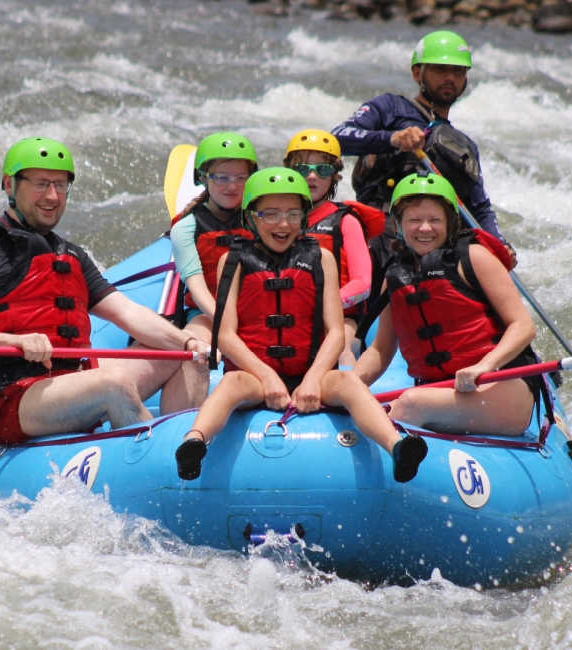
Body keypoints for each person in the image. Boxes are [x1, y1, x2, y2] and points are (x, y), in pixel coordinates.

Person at [0, 136, 210, 450]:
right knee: (112, 385)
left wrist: (188, 342)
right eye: (42, 184)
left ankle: (186, 445)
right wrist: (15, 342)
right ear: (10, 185)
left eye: (61, 186)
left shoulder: (70, 255)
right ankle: (159, 457)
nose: (53, 196)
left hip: (74, 381)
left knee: (186, 354)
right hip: (15, 397)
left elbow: (126, 313)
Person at [174, 167, 428, 483]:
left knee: (350, 384)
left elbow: (336, 332)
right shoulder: (233, 261)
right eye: (271, 214)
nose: (283, 224)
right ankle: (195, 442)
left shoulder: (322, 258)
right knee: (230, 385)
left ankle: (398, 447)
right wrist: (265, 377)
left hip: (312, 375)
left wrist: (313, 378)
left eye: (293, 214)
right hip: (254, 375)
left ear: (304, 217)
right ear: (252, 217)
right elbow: (225, 335)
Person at [354, 173, 539, 435]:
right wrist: (350, 386)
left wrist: (484, 365)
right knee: (382, 408)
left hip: (499, 385)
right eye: (414, 220)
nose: (425, 228)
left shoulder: (474, 257)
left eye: (435, 220)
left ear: (450, 222)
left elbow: (523, 326)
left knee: (410, 403)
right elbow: (381, 349)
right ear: (399, 224)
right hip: (441, 393)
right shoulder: (395, 276)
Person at [329, 30, 503, 242]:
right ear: (417, 73)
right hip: (379, 232)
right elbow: (336, 139)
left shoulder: (464, 145)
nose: (450, 78)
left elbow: (481, 208)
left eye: (458, 71)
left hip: (432, 243)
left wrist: (500, 245)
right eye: (440, 69)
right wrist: (393, 139)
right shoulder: (389, 108)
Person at [281, 128, 385, 367]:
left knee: (340, 347)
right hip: (290, 315)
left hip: (340, 317)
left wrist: (323, 306)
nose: (312, 176)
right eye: (302, 169)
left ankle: (347, 383)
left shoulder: (346, 221)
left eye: (323, 169)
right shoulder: (277, 221)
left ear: (334, 176)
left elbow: (363, 283)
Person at [168, 132, 258, 346]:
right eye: (221, 177)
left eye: (241, 178)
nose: (232, 186)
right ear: (202, 178)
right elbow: (196, 287)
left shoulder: (261, 219)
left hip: (258, 310)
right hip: (207, 313)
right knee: (197, 336)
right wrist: (227, 323)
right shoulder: (186, 228)